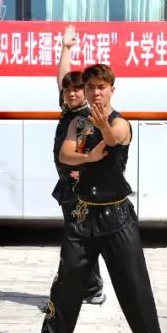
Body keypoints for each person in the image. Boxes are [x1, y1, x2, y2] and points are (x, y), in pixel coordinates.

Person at [41, 64, 167, 333]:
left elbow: (113, 140)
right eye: (90, 87)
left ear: (112, 89)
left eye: (101, 87)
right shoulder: (77, 122)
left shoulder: (120, 123)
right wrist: (88, 155)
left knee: (132, 279)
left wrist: (103, 128)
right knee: (68, 277)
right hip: (82, 213)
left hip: (117, 215)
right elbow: (65, 154)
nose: (95, 93)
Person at [51, 25, 105, 307]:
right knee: (79, 237)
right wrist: (66, 49)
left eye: (76, 89)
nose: (71, 93)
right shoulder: (69, 110)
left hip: (78, 190)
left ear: (85, 91)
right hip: (70, 187)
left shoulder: (84, 118)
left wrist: (80, 170)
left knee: (78, 239)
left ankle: (89, 289)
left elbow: (79, 154)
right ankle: (89, 288)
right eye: (68, 90)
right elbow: (62, 79)